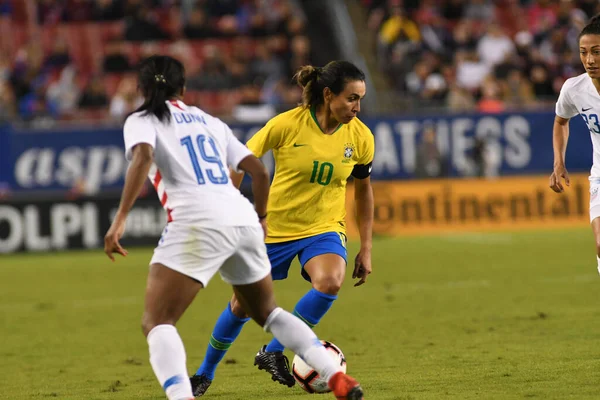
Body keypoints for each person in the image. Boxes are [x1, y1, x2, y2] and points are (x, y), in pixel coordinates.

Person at [103, 55, 365, 400]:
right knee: (267, 312)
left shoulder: (141, 119)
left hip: (195, 219)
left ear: (142, 89)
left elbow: (142, 157)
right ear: (183, 88)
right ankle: (335, 376)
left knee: (157, 322)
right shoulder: (209, 121)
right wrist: (258, 218)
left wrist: (119, 218)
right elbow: (259, 171)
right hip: (241, 217)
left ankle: (182, 394)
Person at [191, 60, 375, 396]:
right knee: (241, 306)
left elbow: (363, 190)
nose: (357, 107)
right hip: (274, 229)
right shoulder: (288, 124)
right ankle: (204, 373)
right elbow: (242, 160)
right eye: (351, 98)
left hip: (324, 227)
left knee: (330, 282)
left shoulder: (360, 137)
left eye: (360, 99)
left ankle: (273, 350)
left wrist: (366, 246)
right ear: (328, 94)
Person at [551, 14, 600, 276]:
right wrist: (559, 163)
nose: (590, 60)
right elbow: (560, 122)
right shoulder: (574, 89)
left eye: (597, 52)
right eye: (584, 52)